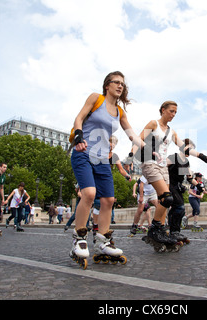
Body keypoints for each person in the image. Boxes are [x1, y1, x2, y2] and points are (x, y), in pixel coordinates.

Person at [69, 71, 141, 266]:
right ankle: (79, 238)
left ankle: (103, 241)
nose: (120, 86)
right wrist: (78, 136)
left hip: (102, 159)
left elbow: (132, 135)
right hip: (83, 152)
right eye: (116, 82)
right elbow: (79, 118)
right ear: (107, 85)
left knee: (109, 199)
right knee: (90, 193)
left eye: (122, 84)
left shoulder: (120, 112)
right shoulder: (96, 98)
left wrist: (147, 146)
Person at [129, 101, 207, 247]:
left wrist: (204, 157)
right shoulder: (153, 124)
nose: (173, 114)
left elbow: (184, 148)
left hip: (163, 166)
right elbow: (138, 139)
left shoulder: (172, 132)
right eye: (171, 111)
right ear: (163, 110)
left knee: (165, 202)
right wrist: (131, 156)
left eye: (175, 112)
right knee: (167, 198)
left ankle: (161, 231)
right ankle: (155, 229)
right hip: (150, 162)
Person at [167, 138, 199, 243]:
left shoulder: (186, 163)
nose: (191, 152)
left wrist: (199, 186)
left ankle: (174, 231)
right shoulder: (173, 157)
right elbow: (161, 168)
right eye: (190, 149)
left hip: (178, 187)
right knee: (179, 207)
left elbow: (190, 178)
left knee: (181, 210)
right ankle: (173, 232)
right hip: (169, 184)